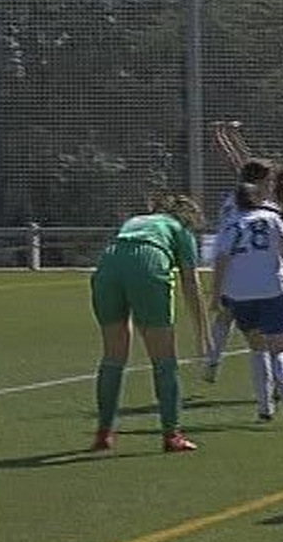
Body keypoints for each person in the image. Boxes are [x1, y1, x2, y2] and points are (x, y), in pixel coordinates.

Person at [203, 121, 283, 400]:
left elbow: (241, 163)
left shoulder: (239, 200)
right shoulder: (263, 207)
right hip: (256, 271)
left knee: (227, 315)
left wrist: (224, 136)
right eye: (269, 180)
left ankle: (212, 362)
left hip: (232, 265)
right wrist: (227, 137)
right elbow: (243, 163)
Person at [88, 193, 209, 453]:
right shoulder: (180, 228)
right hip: (148, 262)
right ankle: (172, 434)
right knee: (164, 358)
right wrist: (202, 333)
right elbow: (191, 282)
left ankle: (104, 433)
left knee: (113, 355)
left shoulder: (137, 221)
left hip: (108, 265)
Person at [212, 181, 283, 427]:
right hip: (273, 288)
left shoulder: (231, 224)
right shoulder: (272, 218)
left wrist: (216, 294)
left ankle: (265, 407)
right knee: (281, 346)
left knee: (257, 347)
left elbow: (221, 258)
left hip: (240, 292)